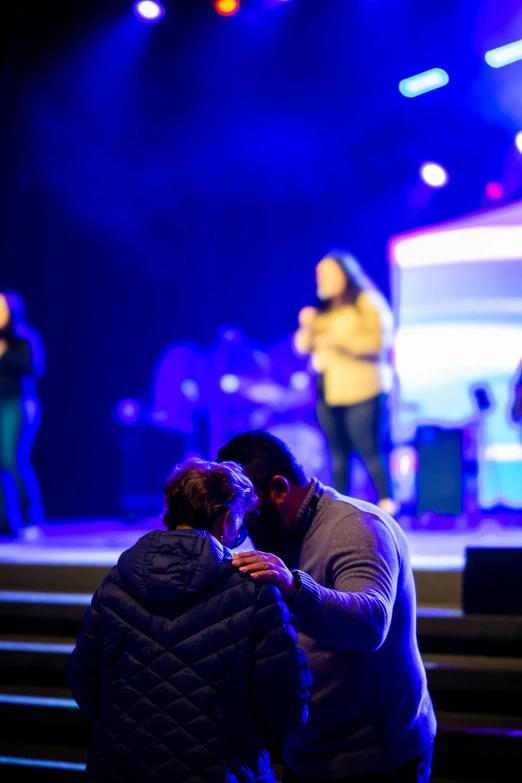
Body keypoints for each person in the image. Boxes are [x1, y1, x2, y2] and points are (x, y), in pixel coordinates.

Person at [67, 459, 311, 782]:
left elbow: (83, 679)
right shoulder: (255, 592)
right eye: (239, 526)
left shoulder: (115, 582)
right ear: (225, 521)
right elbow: (287, 706)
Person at [218, 431, 436, 783]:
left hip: (378, 757)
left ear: (278, 490)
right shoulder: (282, 533)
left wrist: (292, 588)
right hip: (306, 753)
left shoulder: (357, 526)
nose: (246, 529)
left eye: (252, 515)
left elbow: (371, 624)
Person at [294, 250, 396, 515]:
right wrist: (308, 326)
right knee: (337, 454)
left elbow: (380, 343)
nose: (323, 279)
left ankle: (387, 502)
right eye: (319, 275)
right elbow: (302, 347)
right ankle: (339, 510)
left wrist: (338, 341)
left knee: (368, 448)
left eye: (329, 273)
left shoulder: (367, 302)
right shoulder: (322, 311)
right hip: (330, 390)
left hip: (363, 389)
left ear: (346, 273)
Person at [0, 292, 45, 537]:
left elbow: (33, 368)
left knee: (11, 459)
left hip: (17, 403)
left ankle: (30, 517)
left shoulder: (23, 338)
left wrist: (4, 351)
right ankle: (6, 521)